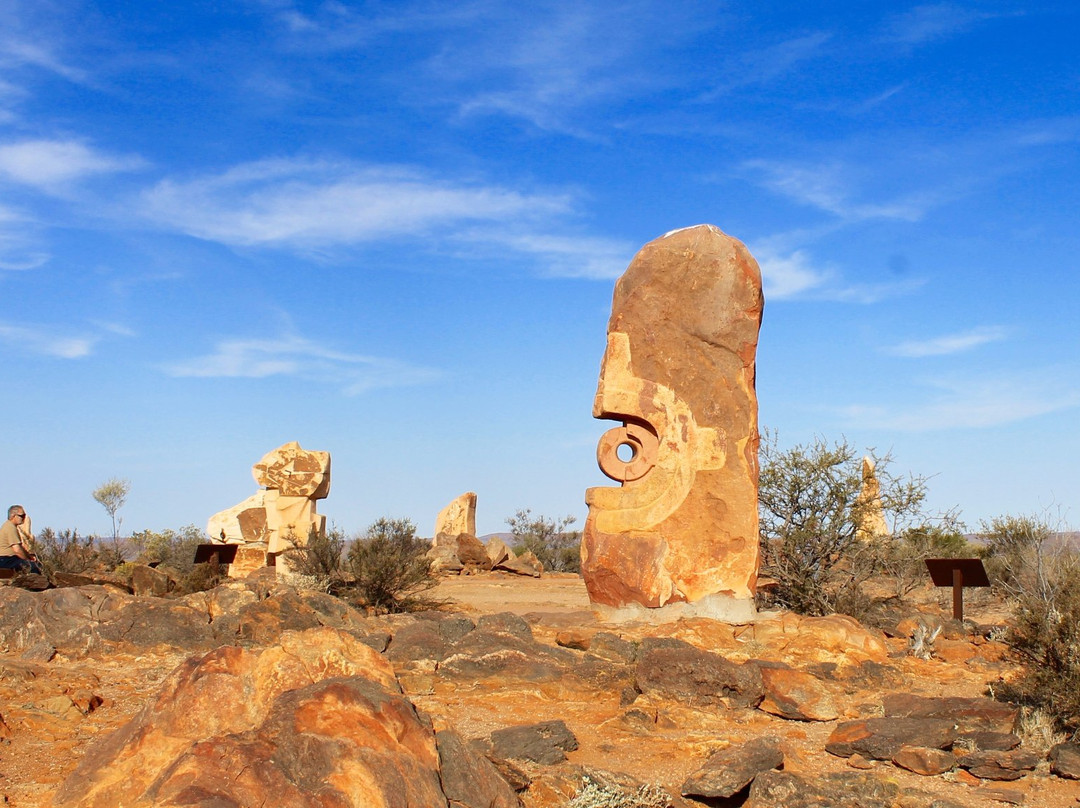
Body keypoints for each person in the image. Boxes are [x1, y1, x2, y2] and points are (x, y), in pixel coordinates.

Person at [0, 505, 42, 574]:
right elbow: (17, 550)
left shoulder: (9, 526)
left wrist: (29, 556)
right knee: (34, 567)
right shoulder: (10, 528)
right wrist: (28, 559)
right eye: (22, 516)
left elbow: (20, 548)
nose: (24, 518)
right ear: (13, 516)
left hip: (8, 559)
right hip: (6, 560)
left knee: (34, 563)